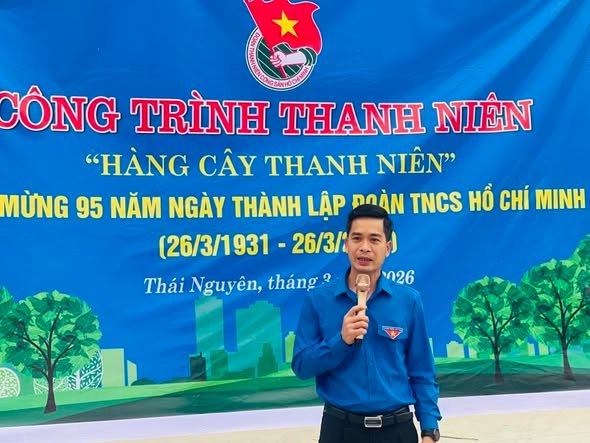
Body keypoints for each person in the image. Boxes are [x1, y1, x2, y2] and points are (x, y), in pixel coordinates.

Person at [292, 204, 441, 443]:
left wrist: (429, 429)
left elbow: (422, 371)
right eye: (357, 238)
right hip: (340, 430)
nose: (364, 247)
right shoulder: (318, 300)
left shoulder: (408, 301)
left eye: (374, 239)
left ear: (388, 248)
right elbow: (302, 366)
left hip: (396, 430)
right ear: (346, 244)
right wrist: (341, 341)